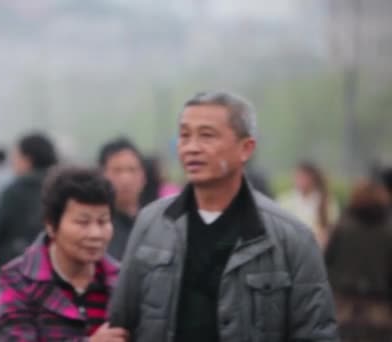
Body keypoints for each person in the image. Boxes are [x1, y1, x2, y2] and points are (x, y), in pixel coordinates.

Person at [108, 91, 339, 341]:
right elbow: (121, 324)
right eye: (184, 136)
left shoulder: (292, 238)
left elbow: (316, 333)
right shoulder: (151, 223)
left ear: (245, 148)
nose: (191, 147)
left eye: (206, 135)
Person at [0, 167, 128, 341]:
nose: (96, 234)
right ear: (51, 225)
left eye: (103, 221)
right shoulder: (17, 279)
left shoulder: (122, 280)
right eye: (83, 222)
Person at [325, 181, 392, 341]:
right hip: (380, 309)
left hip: (343, 307)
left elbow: (327, 262)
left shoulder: (342, 228)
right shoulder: (388, 231)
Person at [0, 133, 58, 271]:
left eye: (16, 157)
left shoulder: (14, 191)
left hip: (20, 268)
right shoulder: (63, 187)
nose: (13, 162)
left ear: (27, 160)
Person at [98, 138, 146, 261]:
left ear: (143, 176)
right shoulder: (97, 229)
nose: (126, 179)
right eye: (117, 171)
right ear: (102, 175)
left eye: (132, 170)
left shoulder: (155, 224)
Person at [278, 161, 339, 247]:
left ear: (312, 178)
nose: (299, 180)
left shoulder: (326, 201)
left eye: (303, 177)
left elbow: (331, 229)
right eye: (297, 176)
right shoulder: (285, 200)